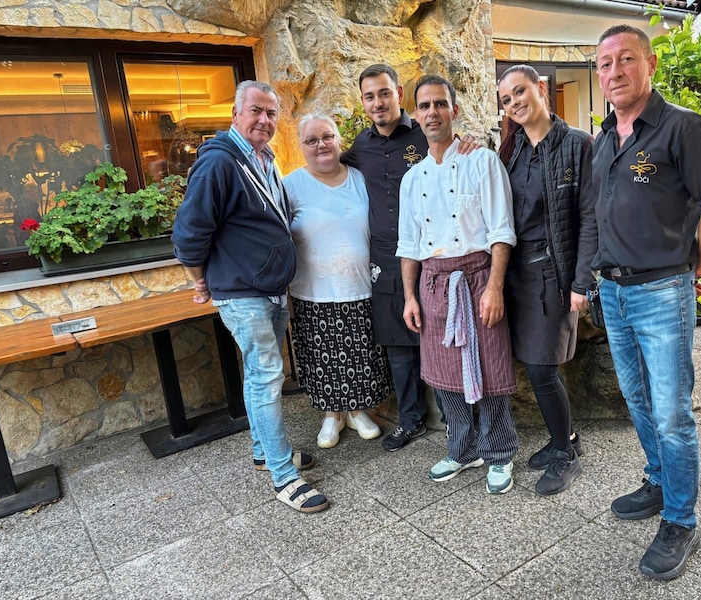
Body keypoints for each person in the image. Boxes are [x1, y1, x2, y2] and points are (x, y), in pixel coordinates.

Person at [592, 25, 701, 579]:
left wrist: (688, 272)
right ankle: (659, 482)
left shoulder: (683, 128)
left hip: (660, 291)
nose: (614, 72)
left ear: (650, 64)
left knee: (674, 412)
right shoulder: (605, 138)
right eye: (604, 64)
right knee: (637, 400)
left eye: (625, 59)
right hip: (613, 291)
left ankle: (681, 519)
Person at [171, 80, 329, 514]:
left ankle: (265, 452)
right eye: (256, 111)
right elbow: (189, 232)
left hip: (269, 289)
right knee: (267, 376)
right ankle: (284, 475)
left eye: (271, 113)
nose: (264, 120)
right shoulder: (219, 163)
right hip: (243, 292)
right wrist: (198, 280)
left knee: (259, 374)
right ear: (236, 114)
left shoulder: (262, 158)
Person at [342, 64, 479, 452]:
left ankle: (460, 422)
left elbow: (461, 154)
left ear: (398, 94)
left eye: (383, 93)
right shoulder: (361, 147)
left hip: (434, 256)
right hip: (386, 258)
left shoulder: (427, 130)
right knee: (399, 347)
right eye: (369, 96)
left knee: (445, 339)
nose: (377, 102)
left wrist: (473, 141)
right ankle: (411, 419)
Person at [397, 75, 519, 495]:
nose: (432, 112)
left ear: (454, 110)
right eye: (424, 105)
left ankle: (499, 451)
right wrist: (410, 296)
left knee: (490, 370)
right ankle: (462, 450)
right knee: (444, 375)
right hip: (433, 284)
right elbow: (409, 245)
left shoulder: (482, 161)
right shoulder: (411, 180)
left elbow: (501, 231)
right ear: (415, 114)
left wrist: (495, 287)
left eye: (440, 104)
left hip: (477, 278)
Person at [496, 65, 597, 496]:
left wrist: (582, 282)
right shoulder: (510, 148)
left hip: (553, 274)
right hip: (514, 273)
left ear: (541, 89)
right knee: (530, 365)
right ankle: (565, 436)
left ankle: (565, 452)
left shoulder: (577, 145)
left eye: (520, 91)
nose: (514, 102)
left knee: (541, 365)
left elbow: (592, 216)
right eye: (505, 99)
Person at [283, 113, 392, 449]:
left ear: (338, 140)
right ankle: (332, 416)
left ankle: (358, 411)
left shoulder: (360, 178)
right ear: (301, 147)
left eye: (327, 136)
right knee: (321, 355)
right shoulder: (290, 185)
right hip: (312, 291)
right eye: (311, 140)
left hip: (359, 285)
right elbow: (277, 238)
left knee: (360, 355)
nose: (321, 145)